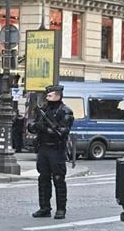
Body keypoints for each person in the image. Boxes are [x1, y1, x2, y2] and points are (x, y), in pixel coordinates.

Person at [28, 85, 74, 220]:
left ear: (58, 96)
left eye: (50, 95)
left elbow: (62, 132)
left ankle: (61, 209)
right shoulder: (43, 110)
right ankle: (44, 208)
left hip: (56, 149)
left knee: (59, 179)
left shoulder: (65, 111)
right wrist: (37, 126)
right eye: (47, 95)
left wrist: (47, 129)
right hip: (43, 149)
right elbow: (31, 126)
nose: (47, 98)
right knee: (43, 178)